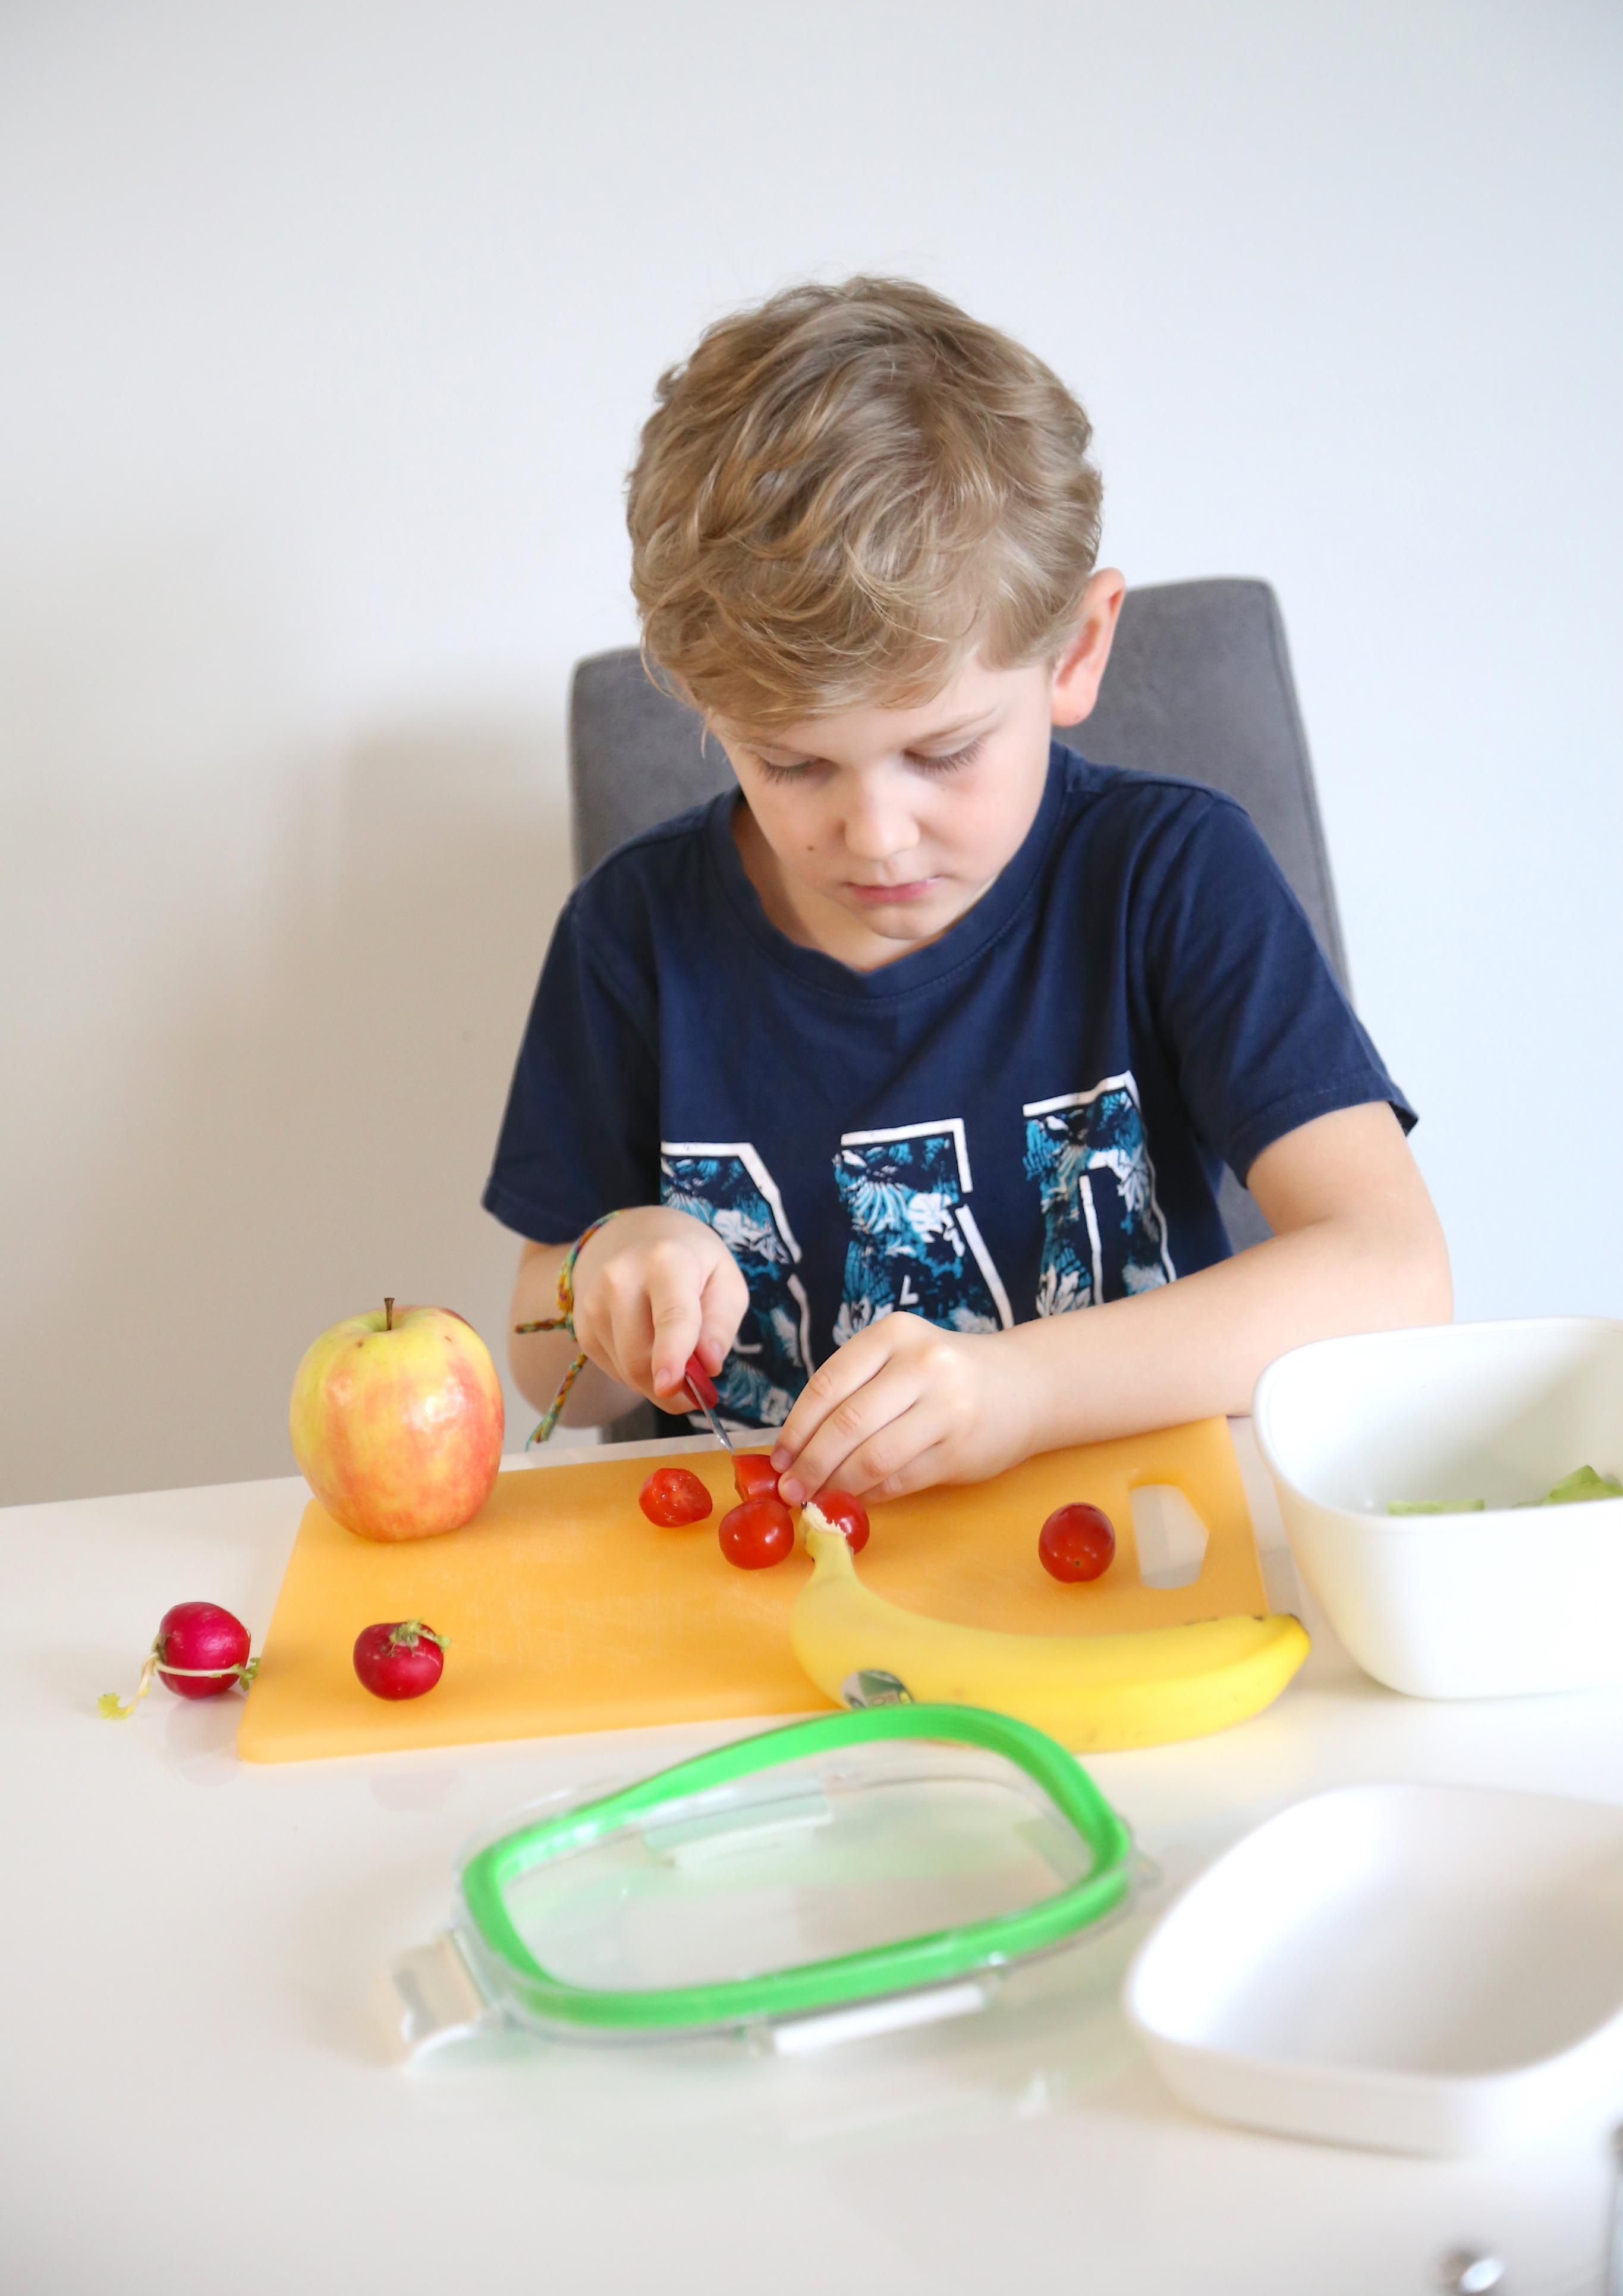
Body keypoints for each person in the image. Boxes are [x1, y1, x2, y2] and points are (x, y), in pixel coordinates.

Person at [484, 277, 1450, 1506]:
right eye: (792, 764)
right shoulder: (632, 937)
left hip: (1130, 1548)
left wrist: (1023, 1389)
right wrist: (606, 1273)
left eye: (942, 751)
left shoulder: (1170, 875)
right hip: (764, 1576)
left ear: (1076, 652)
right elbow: (543, 1362)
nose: (877, 834)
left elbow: (1394, 1273)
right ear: (707, 712)